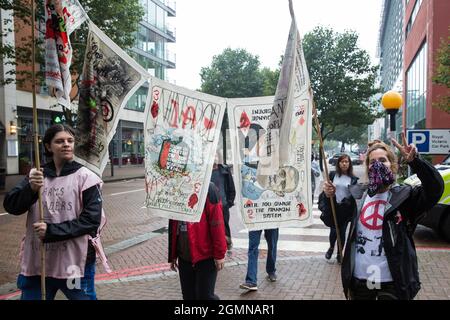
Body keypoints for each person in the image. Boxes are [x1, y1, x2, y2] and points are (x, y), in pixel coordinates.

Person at [323, 136, 444, 300]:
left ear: (392, 165)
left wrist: (416, 162)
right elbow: (333, 220)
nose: (377, 165)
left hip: (392, 283)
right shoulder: (358, 196)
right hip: (360, 281)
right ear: (367, 168)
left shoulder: (405, 196)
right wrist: (328, 197)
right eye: (372, 162)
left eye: (382, 160)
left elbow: (435, 189)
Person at [3, 124, 104, 300]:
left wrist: (51, 231)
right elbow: (12, 206)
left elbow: (91, 221)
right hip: (38, 262)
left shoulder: (86, 177)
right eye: (59, 141)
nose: (66, 144)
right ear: (49, 147)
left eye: (70, 140)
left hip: (74, 264)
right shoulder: (37, 175)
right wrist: (31, 189)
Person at [168, 182, 227, 300]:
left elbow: (217, 223)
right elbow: (173, 225)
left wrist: (219, 254)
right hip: (184, 256)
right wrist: (173, 254)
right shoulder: (175, 187)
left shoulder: (209, 189)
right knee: (188, 297)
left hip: (205, 255)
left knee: (205, 296)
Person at [322, 154, 359, 263]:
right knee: (333, 229)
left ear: (349, 164)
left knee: (342, 231)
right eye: (342, 162)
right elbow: (327, 188)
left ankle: (339, 252)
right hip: (333, 206)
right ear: (338, 163)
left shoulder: (353, 179)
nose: (344, 164)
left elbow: (354, 195)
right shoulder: (333, 175)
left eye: (346, 162)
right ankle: (331, 247)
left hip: (345, 209)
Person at [211, 152, 236, 251]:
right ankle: (216, 246)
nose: (215, 158)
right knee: (213, 226)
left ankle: (227, 244)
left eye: (216, 156)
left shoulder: (224, 170)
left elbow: (231, 187)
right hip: (211, 205)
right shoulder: (205, 171)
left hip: (223, 204)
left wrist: (229, 202)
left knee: (224, 225)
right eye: (213, 155)